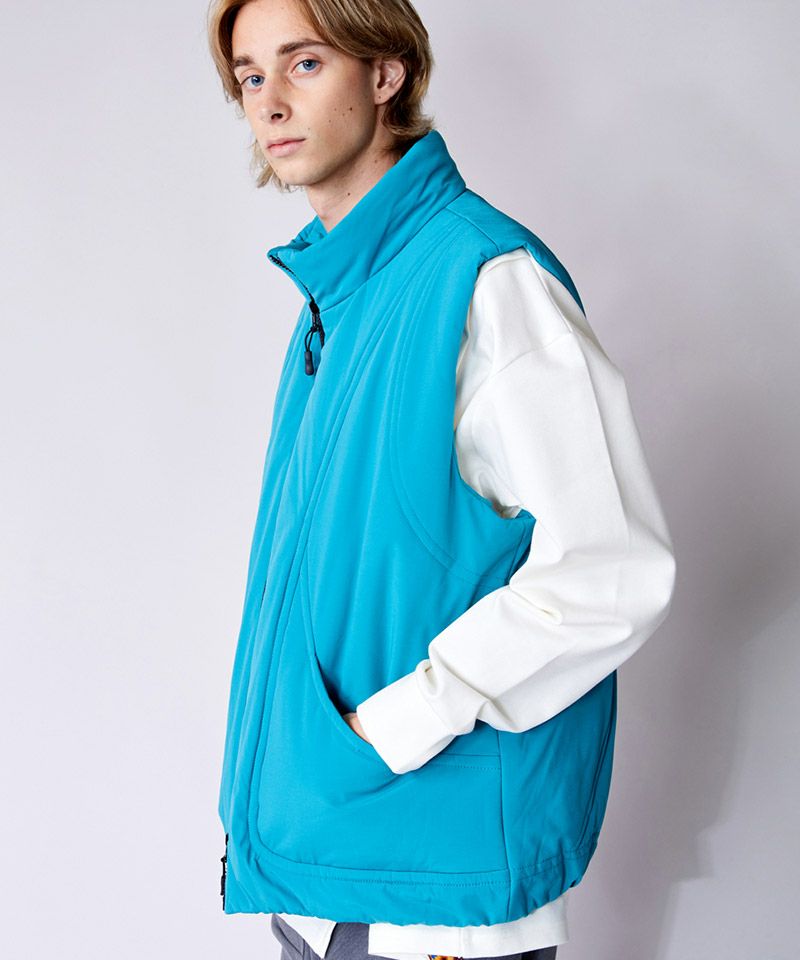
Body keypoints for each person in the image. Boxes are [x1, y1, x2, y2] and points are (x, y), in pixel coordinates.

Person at [206, 2, 677, 959]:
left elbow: (612, 570)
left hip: (431, 906)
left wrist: (390, 729)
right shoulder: (339, 300)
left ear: (386, 74)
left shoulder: (488, 281)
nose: (269, 103)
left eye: (304, 63)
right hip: (325, 876)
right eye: (251, 76)